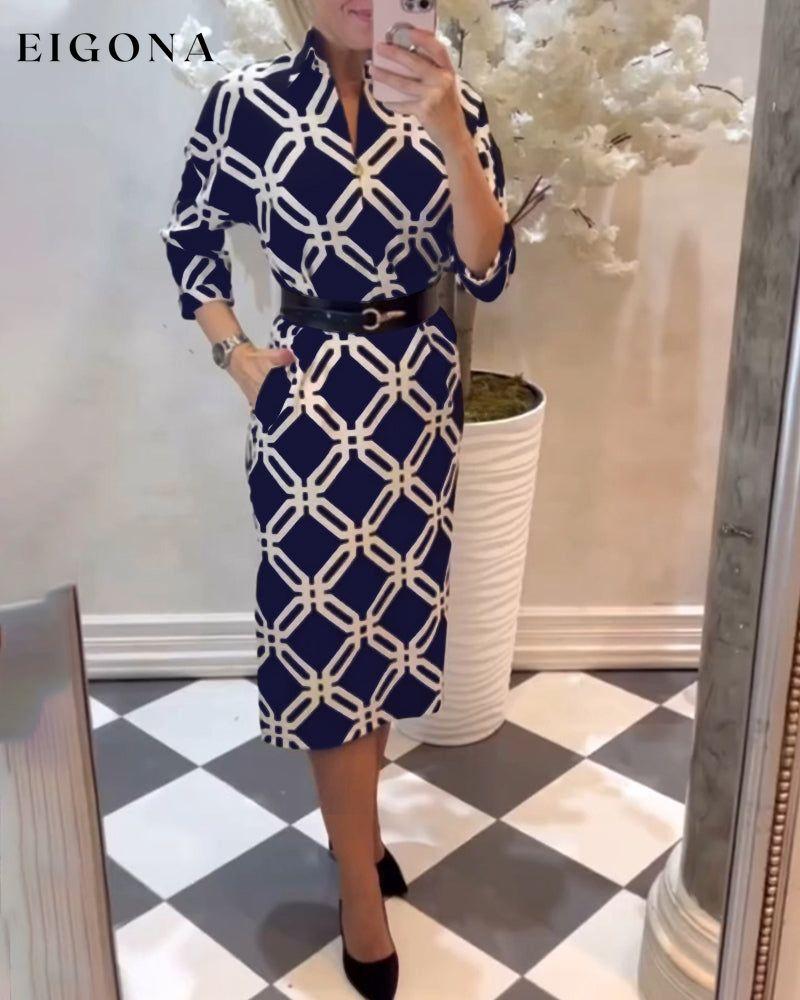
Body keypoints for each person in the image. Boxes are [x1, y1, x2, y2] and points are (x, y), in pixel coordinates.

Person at [160, 3, 515, 997]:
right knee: (323, 647)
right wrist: (237, 357)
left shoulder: (455, 104)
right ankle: (360, 886)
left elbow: (486, 267)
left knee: (385, 636)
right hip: (309, 400)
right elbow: (189, 237)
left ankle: (354, 836)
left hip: (415, 404)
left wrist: (450, 131)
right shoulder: (247, 103)